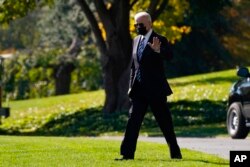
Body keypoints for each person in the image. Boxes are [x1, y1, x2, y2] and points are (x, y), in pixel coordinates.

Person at [116, 12, 182, 160]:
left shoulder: (160, 39)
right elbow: (134, 66)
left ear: (150, 24)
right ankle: (127, 154)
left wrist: (159, 51)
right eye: (135, 25)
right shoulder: (136, 40)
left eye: (141, 24)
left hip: (156, 90)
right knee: (133, 121)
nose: (138, 27)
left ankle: (175, 152)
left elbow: (170, 56)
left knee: (165, 122)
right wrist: (130, 85)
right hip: (139, 90)